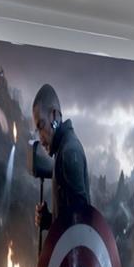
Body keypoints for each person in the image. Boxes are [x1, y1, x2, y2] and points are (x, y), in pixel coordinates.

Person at [30, 84, 92, 230]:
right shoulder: (63, 150)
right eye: (37, 130)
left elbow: (79, 228)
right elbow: (68, 222)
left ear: (54, 116)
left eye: (41, 125)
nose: (40, 137)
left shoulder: (69, 153)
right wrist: (49, 220)